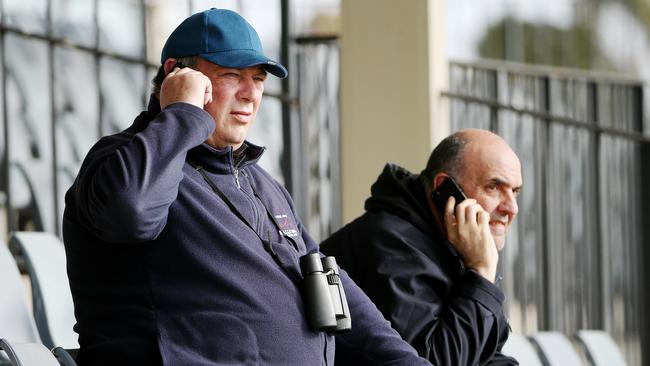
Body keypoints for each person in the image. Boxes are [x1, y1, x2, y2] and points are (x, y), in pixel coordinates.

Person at [62, 8, 430, 366]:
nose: (250, 93)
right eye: (231, 74)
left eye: (258, 79)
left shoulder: (261, 184)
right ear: (176, 76)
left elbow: (336, 290)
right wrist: (182, 114)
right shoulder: (122, 159)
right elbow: (131, 213)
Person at [321, 129, 522, 365]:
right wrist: (481, 272)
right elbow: (433, 361)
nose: (512, 208)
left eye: (515, 191)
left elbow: (485, 355)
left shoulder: (448, 245)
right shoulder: (391, 245)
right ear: (445, 190)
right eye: (493, 187)